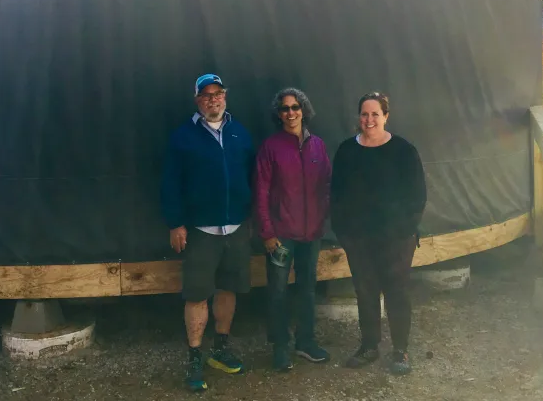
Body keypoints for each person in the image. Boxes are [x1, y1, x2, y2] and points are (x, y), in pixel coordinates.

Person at [161, 73, 255, 392]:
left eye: (218, 93)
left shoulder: (240, 132)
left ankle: (220, 349)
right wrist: (175, 223)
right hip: (200, 230)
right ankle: (194, 358)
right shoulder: (183, 137)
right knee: (197, 294)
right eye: (206, 95)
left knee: (228, 289)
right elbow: (170, 183)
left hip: (237, 228)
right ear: (197, 100)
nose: (212, 99)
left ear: (225, 97)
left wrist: (252, 216)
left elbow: (252, 175)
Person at [329, 91, 427, 376]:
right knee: (365, 291)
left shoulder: (403, 150)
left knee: (396, 291)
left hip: (396, 237)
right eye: (364, 113)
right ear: (358, 117)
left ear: (386, 116)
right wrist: (343, 232)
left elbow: (417, 194)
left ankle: (401, 350)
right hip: (358, 237)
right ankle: (369, 346)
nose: (369, 119)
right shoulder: (347, 150)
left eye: (375, 114)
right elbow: (336, 194)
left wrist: (405, 230)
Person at [254, 88, 332, 372]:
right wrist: (267, 233)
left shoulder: (318, 146)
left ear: (304, 109)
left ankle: (306, 342)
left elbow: (326, 185)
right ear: (279, 114)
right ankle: (280, 348)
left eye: (295, 107)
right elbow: (260, 192)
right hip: (281, 236)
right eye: (285, 109)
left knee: (307, 290)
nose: (291, 113)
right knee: (277, 291)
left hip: (311, 234)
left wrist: (322, 218)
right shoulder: (271, 147)